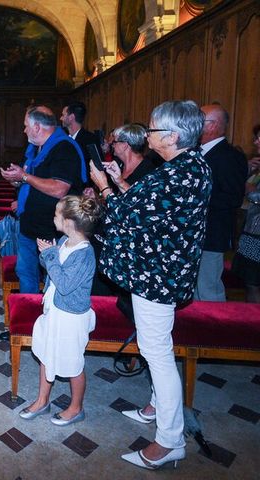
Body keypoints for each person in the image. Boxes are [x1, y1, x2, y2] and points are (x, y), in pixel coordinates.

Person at [90, 100, 212, 470]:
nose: (147, 133)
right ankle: (157, 405)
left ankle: (170, 439)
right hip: (160, 272)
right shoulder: (186, 165)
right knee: (157, 345)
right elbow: (145, 207)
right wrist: (117, 182)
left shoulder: (181, 173)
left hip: (157, 276)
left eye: (153, 128)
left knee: (157, 352)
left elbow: (128, 214)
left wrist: (104, 187)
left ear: (173, 137)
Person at [18, 195, 102, 426]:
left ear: (68, 222)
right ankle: (42, 400)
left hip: (71, 317)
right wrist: (48, 256)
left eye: (57, 214)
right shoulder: (65, 240)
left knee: (73, 363)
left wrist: (50, 256)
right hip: (54, 310)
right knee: (46, 352)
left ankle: (76, 408)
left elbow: (65, 285)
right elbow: (54, 271)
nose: (53, 217)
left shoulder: (84, 253)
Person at [0, 105, 86, 294]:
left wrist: (23, 177)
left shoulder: (64, 148)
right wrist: (17, 180)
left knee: (53, 279)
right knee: (26, 274)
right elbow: (32, 182)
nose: (24, 130)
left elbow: (59, 189)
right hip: (30, 224)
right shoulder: (35, 149)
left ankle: (49, 319)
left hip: (54, 230)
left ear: (37, 127)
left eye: (26, 126)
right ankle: (29, 317)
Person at [194, 104, 247, 301]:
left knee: (209, 289)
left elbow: (232, 197)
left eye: (200, 120)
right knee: (196, 290)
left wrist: (195, 199)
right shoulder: (199, 152)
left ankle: (215, 329)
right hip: (197, 233)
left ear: (213, 126)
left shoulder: (229, 156)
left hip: (212, 233)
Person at [232, 125, 260, 303]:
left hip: (257, 234)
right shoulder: (256, 164)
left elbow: (253, 193)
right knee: (250, 281)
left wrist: (249, 190)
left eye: (259, 138)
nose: (255, 142)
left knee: (254, 282)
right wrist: (247, 172)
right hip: (252, 229)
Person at [101, 124, 157, 194]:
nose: (112, 145)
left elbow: (141, 201)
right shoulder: (117, 164)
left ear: (124, 145)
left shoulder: (148, 171)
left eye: (114, 142)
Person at [60, 100, 101, 182]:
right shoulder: (61, 139)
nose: (60, 118)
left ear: (71, 117)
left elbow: (97, 167)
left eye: (63, 115)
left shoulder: (90, 139)